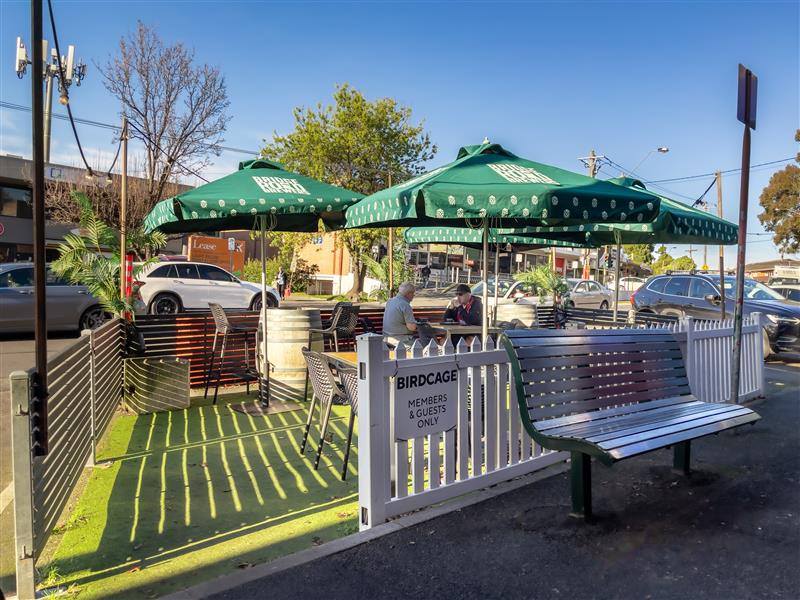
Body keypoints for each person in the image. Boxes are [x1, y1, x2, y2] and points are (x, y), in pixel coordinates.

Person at [383, 282, 418, 348]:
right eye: (413, 293)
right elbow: (412, 327)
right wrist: (416, 323)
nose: (414, 295)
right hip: (401, 340)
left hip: (386, 338)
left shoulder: (390, 301)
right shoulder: (405, 305)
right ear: (409, 294)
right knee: (423, 347)